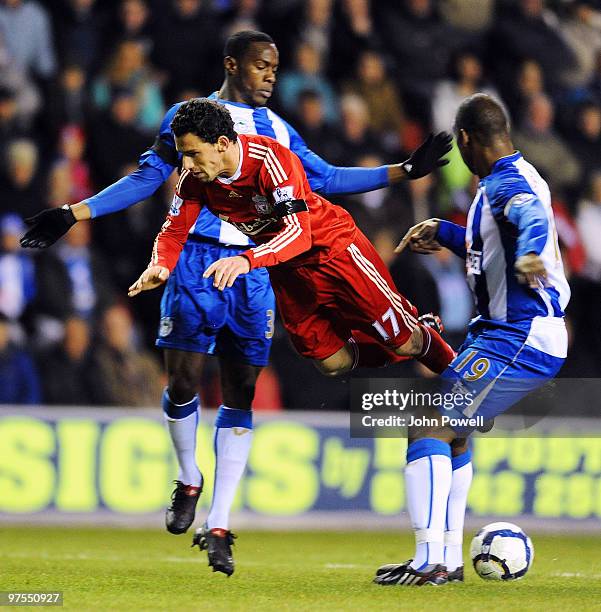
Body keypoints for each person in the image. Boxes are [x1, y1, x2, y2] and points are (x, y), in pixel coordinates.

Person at [20, 30, 452, 576]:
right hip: (202, 261)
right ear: (232, 65)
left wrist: (403, 171)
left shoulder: (277, 134)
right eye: (261, 67)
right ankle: (188, 476)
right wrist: (74, 213)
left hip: (259, 263)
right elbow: (151, 181)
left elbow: (325, 180)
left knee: (243, 387)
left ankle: (219, 524)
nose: (272, 75)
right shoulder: (187, 122)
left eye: (276, 67)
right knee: (180, 381)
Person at [127, 98, 456, 570]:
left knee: (405, 343)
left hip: (335, 252)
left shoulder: (271, 161)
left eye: (193, 153)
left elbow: (299, 233)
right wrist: (161, 262)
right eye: (182, 153)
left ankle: (464, 379)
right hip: (289, 275)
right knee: (332, 363)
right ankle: (416, 332)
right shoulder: (195, 177)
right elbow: (174, 227)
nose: (186, 163)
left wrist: (245, 258)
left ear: (223, 145)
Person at [373, 93, 569, 587]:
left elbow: (529, 219)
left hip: (521, 337)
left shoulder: (510, 184)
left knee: (429, 427)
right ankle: (447, 561)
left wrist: (529, 253)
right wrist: (442, 231)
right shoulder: (506, 177)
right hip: (503, 334)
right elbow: (491, 240)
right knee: (453, 431)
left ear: (464, 139)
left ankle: (430, 560)